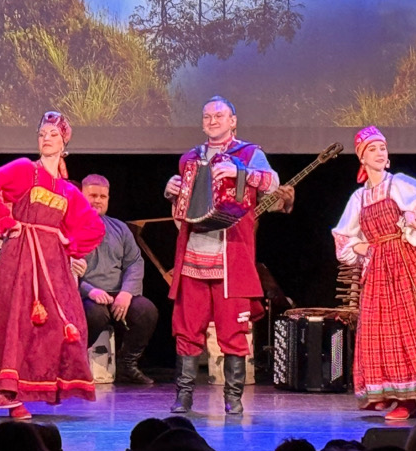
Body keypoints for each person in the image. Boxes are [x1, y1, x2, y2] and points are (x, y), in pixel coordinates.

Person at [0, 111, 105, 420]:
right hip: (22, 256)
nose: (46, 138)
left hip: (54, 266)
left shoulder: (68, 191)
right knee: (18, 321)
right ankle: (10, 394)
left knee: (64, 322)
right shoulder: (25, 169)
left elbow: (94, 228)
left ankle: (48, 384)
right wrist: (6, 222)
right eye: (42, 134)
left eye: (53, 134)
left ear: (64, 143)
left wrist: (69, 243)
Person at [164, 95, 279, 416]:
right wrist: (172, 190)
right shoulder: (190, 158)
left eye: (219, 115)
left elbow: (273, 184)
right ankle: (184, 397)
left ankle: (233, 397)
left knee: (232, 332)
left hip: (232, 257)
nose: (212, 120)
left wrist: (239, 170)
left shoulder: (249, 153)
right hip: (194, 257)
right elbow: (183, 211)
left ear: (233, 121)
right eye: (207, 116)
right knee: (187, 329)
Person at [333, 126, 416, 420]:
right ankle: (382, 392)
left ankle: (408, 399)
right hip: (378, 266)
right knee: (375, 331)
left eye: (382, 148)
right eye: (372, 150)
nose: (379, 153)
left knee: (405, 328)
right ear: (362, 159)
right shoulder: (360, 198)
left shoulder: (398, 184)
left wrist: (407, 226)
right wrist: (361, 247)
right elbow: (343, 236)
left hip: (404, 261)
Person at [76, 173, 159, 385]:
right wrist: (90, 291)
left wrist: (126, 293)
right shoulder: (70, 227)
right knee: (95, 315)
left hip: (117, 293)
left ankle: (127, 366)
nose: (97, 200)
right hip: (85, 293)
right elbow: (64, 268)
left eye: (103, 197)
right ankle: (75, 365)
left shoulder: (119, 228)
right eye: (92, 195)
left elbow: (134, 262)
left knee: (146, 311)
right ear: (80, 196)